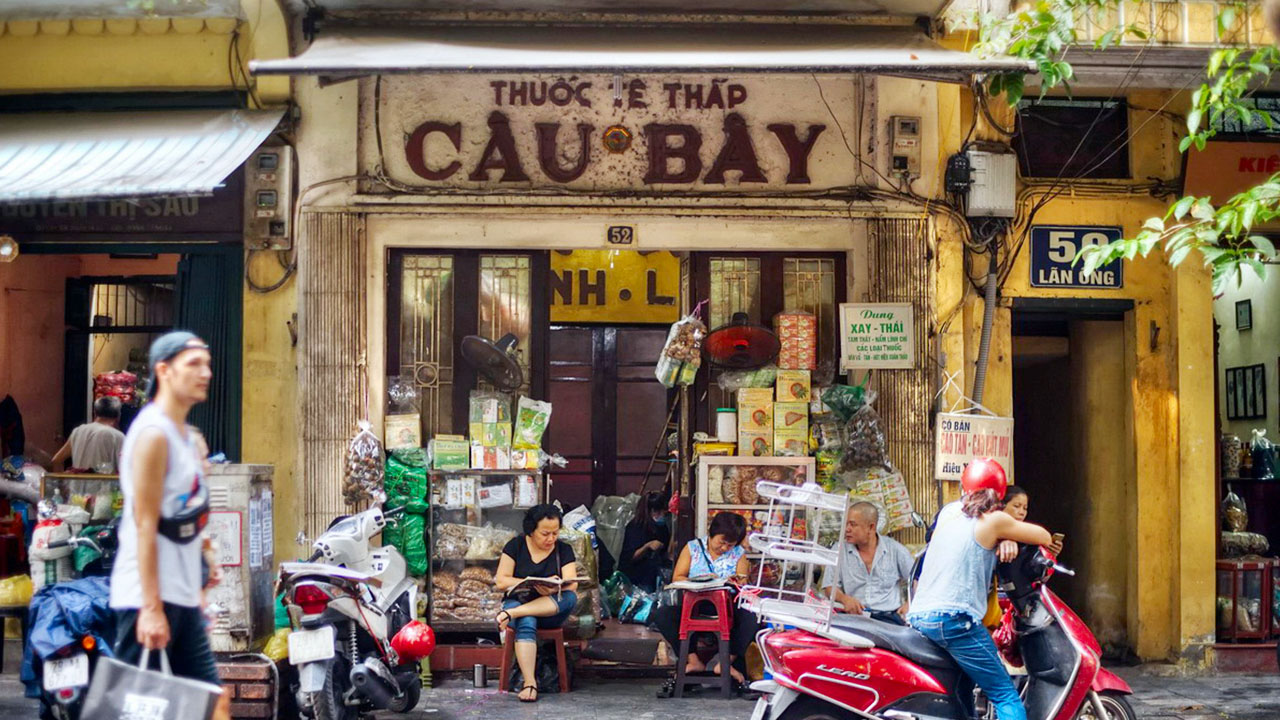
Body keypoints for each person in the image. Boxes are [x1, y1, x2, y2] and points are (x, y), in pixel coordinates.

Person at [109, 331, 230, 720]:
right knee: (141, 710)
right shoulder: (153, 434)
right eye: (193, 364)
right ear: (163, 370)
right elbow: (144, 525)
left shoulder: (184, 436)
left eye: (207, 363)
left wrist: (203, 565)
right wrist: (151, 608)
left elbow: (184, 515)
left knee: (211, 702)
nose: (206, 373)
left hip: (180, 596)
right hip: (146, 596)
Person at [907, 460, 1053, 720]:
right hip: (953, 620)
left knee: (961, 688)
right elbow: (1043, 536)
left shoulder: (948, 511)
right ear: (999, 495)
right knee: (1005, 695)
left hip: (920, 617)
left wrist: (1005, 534)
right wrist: (1008, 532)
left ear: (965, 488)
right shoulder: (994, 520)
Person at [652, 512, 760, 696]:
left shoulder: (739, 554)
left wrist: (733, 582)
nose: (725, 548)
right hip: (695, 606)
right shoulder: (693, 548)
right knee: (662, 615)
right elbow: (678, 576)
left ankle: (725, 663)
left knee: (753, 618)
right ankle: (693, 661)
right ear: (712, 533)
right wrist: (699, 580)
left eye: (730, 545)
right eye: (722, 541)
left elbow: (742, 583)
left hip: (727, 608)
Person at [494, 503, 579, 703]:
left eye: (555, 533)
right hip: (520, 601)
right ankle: (530, 683)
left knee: (570, 597)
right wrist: (527, 583)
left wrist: (554, 587)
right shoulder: (515, 546)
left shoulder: (564, 550)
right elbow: (501, 580)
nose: (551, 539)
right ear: (531, 530)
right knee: (527, 620)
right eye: (545, 533)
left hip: (550, 611)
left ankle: (513, 614)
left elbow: (572, 583)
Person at [822, 501, 914, 625]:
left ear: (871, 527)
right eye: (846, 524)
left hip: (889, 618)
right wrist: (844, 599)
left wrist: (910, 603)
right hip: (854, 616)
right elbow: (829, 587)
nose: (847, 529)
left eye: (853, 524)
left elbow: (918, 580)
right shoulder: (839, 550)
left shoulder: (895, 550)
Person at [49, 396, 125, 473]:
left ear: (95, 413)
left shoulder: (78, 431)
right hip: (104, 484)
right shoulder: (118, 436)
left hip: (76, 484)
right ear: (118, 416)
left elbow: (56, 461)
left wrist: (61, 483)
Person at [619, 491, 672, 592]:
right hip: (637, 578)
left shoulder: (662, 527)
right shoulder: (635, 527)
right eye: (660, 512)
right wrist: (647, 546)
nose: (663, 516)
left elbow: (666, 551)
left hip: (654, 575)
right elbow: (630, 557)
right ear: (653, 511)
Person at [998, 485, 1065, 558]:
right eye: (1016, 506)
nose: (1022, 512)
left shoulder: (1028, 539)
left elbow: (1045, 538)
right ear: (1001, 506)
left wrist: (1050, 552)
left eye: (1025, 508)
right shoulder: (993, 526)